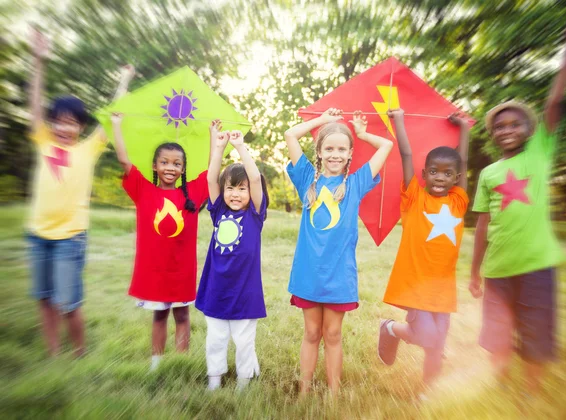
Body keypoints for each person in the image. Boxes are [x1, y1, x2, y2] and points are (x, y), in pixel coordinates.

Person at [469, 19, 566, 395]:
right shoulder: (489, 172)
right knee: (497, 329)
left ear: (529, 130)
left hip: (537, 264)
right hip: (499, 268)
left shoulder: (540, 153)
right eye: (499, 126)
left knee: (536, 327)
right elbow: (483, 226)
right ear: (493, 134)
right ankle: (500, 379)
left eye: (514, 124)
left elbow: (554, 101)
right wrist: (475, 271)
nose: (506, 130)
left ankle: (531, 390)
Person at [27, 28, 134, 357]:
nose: (64, 127)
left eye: (71, 122)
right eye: (58, 121)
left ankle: (79, 353)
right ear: (52, 124)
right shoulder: (43, 141)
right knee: (44, 298)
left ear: (80, 126)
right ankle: (53, 353)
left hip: (69, 237)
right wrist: (38, 61)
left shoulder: (88, 148)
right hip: (38, 235)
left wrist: (124, 81)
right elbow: (33, 106)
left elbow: (110, 114)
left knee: (68, 302)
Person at [284, 108, 393, 395]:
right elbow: (290, 135)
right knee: (311, 333)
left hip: (338, 275)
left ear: (349, 154)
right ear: (318, 152)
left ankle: (334, 395)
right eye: (328, 148)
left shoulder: (356, 183)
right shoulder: (307, 177)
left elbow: (386, 146)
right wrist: (323, 121)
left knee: (332, 334)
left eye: (341, 149)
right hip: (309, 273)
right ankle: (304, 391)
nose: (335, 154)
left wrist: (360, 133)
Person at [378, 109, 470, 397]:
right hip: (416, 283)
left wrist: (464, 129)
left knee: (437, 344)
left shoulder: (458, 201)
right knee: (428, 337)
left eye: (447, 173)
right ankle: (391, 328)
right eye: (433, 171)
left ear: (456, 177)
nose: (440, 177)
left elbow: (464, 162)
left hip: (443, 288)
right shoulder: (415, 197)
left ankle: (426, 394)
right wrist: (399, 120)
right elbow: (406, 155)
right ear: (424, 174)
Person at [111, 112, 209, 371]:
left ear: (183, 169)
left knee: (182, 314)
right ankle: (156, 362)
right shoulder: (144, 191)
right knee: (159, 314)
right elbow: (123, 159)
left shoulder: (194, 194)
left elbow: (212, 171)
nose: (170, 167)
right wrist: (117, 124)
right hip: (155, 270)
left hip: (182, 270)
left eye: (176, 164)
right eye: (164, 162)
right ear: (154, 166)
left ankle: (181, 362)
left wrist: (214, 137)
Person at [195, 121, 269, 391]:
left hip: (245, 291)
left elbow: (255, 178)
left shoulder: (254, 215)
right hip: (216, 287)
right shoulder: (218, 212)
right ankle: (214, 378)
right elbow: (211, 178)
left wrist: (240, 147)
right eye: (231, 188)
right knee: (215, 338)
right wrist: (219, 147)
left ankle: (243, 380)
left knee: (243, 340)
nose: (235, 194)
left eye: (241, 189)